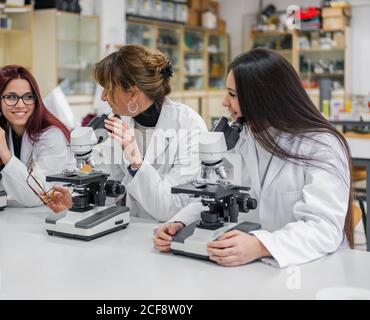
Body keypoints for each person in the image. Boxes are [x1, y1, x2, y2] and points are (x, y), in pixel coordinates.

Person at [154, 48, 354, 268]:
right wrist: (180, 222)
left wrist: (261, 245)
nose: (224, 102)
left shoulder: (320, 145)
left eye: (232, 95)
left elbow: (323, 228)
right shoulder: (244, 136)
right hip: (250, 264)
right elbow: (215, 194)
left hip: (311, 267)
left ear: (261, 98)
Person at [44, 45, 208, 221]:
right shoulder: (121, 123)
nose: (103, 97)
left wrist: (136, 161)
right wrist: (75, 199)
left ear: (132, 93)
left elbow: (171, 208)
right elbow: (103, 177)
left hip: (167, 234)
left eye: (108, 88)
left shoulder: (188, 125)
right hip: (130, 229)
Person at [0, 65, 75, 207]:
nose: (20, 104)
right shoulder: (1, 131)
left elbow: (36, 197)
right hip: (16, 214)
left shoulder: (52, 135)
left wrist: (4, 153)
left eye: (28, 97)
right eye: (11, 97)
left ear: (36, 100)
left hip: (53, 214)